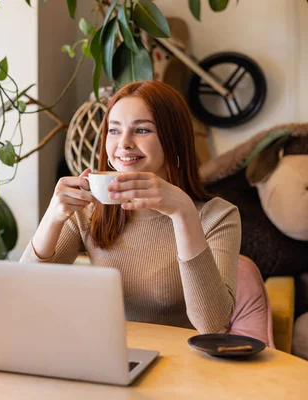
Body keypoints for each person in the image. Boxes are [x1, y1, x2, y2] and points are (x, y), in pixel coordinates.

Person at [20, 81, 241, 334]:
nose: (123, 143)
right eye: (114, 131)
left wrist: (184, 214)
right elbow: (25, 296)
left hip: (184, 367)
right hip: (107, 358)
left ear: (174, 140)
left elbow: (211, 324)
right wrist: (52, 218)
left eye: (142, 130)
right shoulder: (89, 209)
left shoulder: (219, 216)